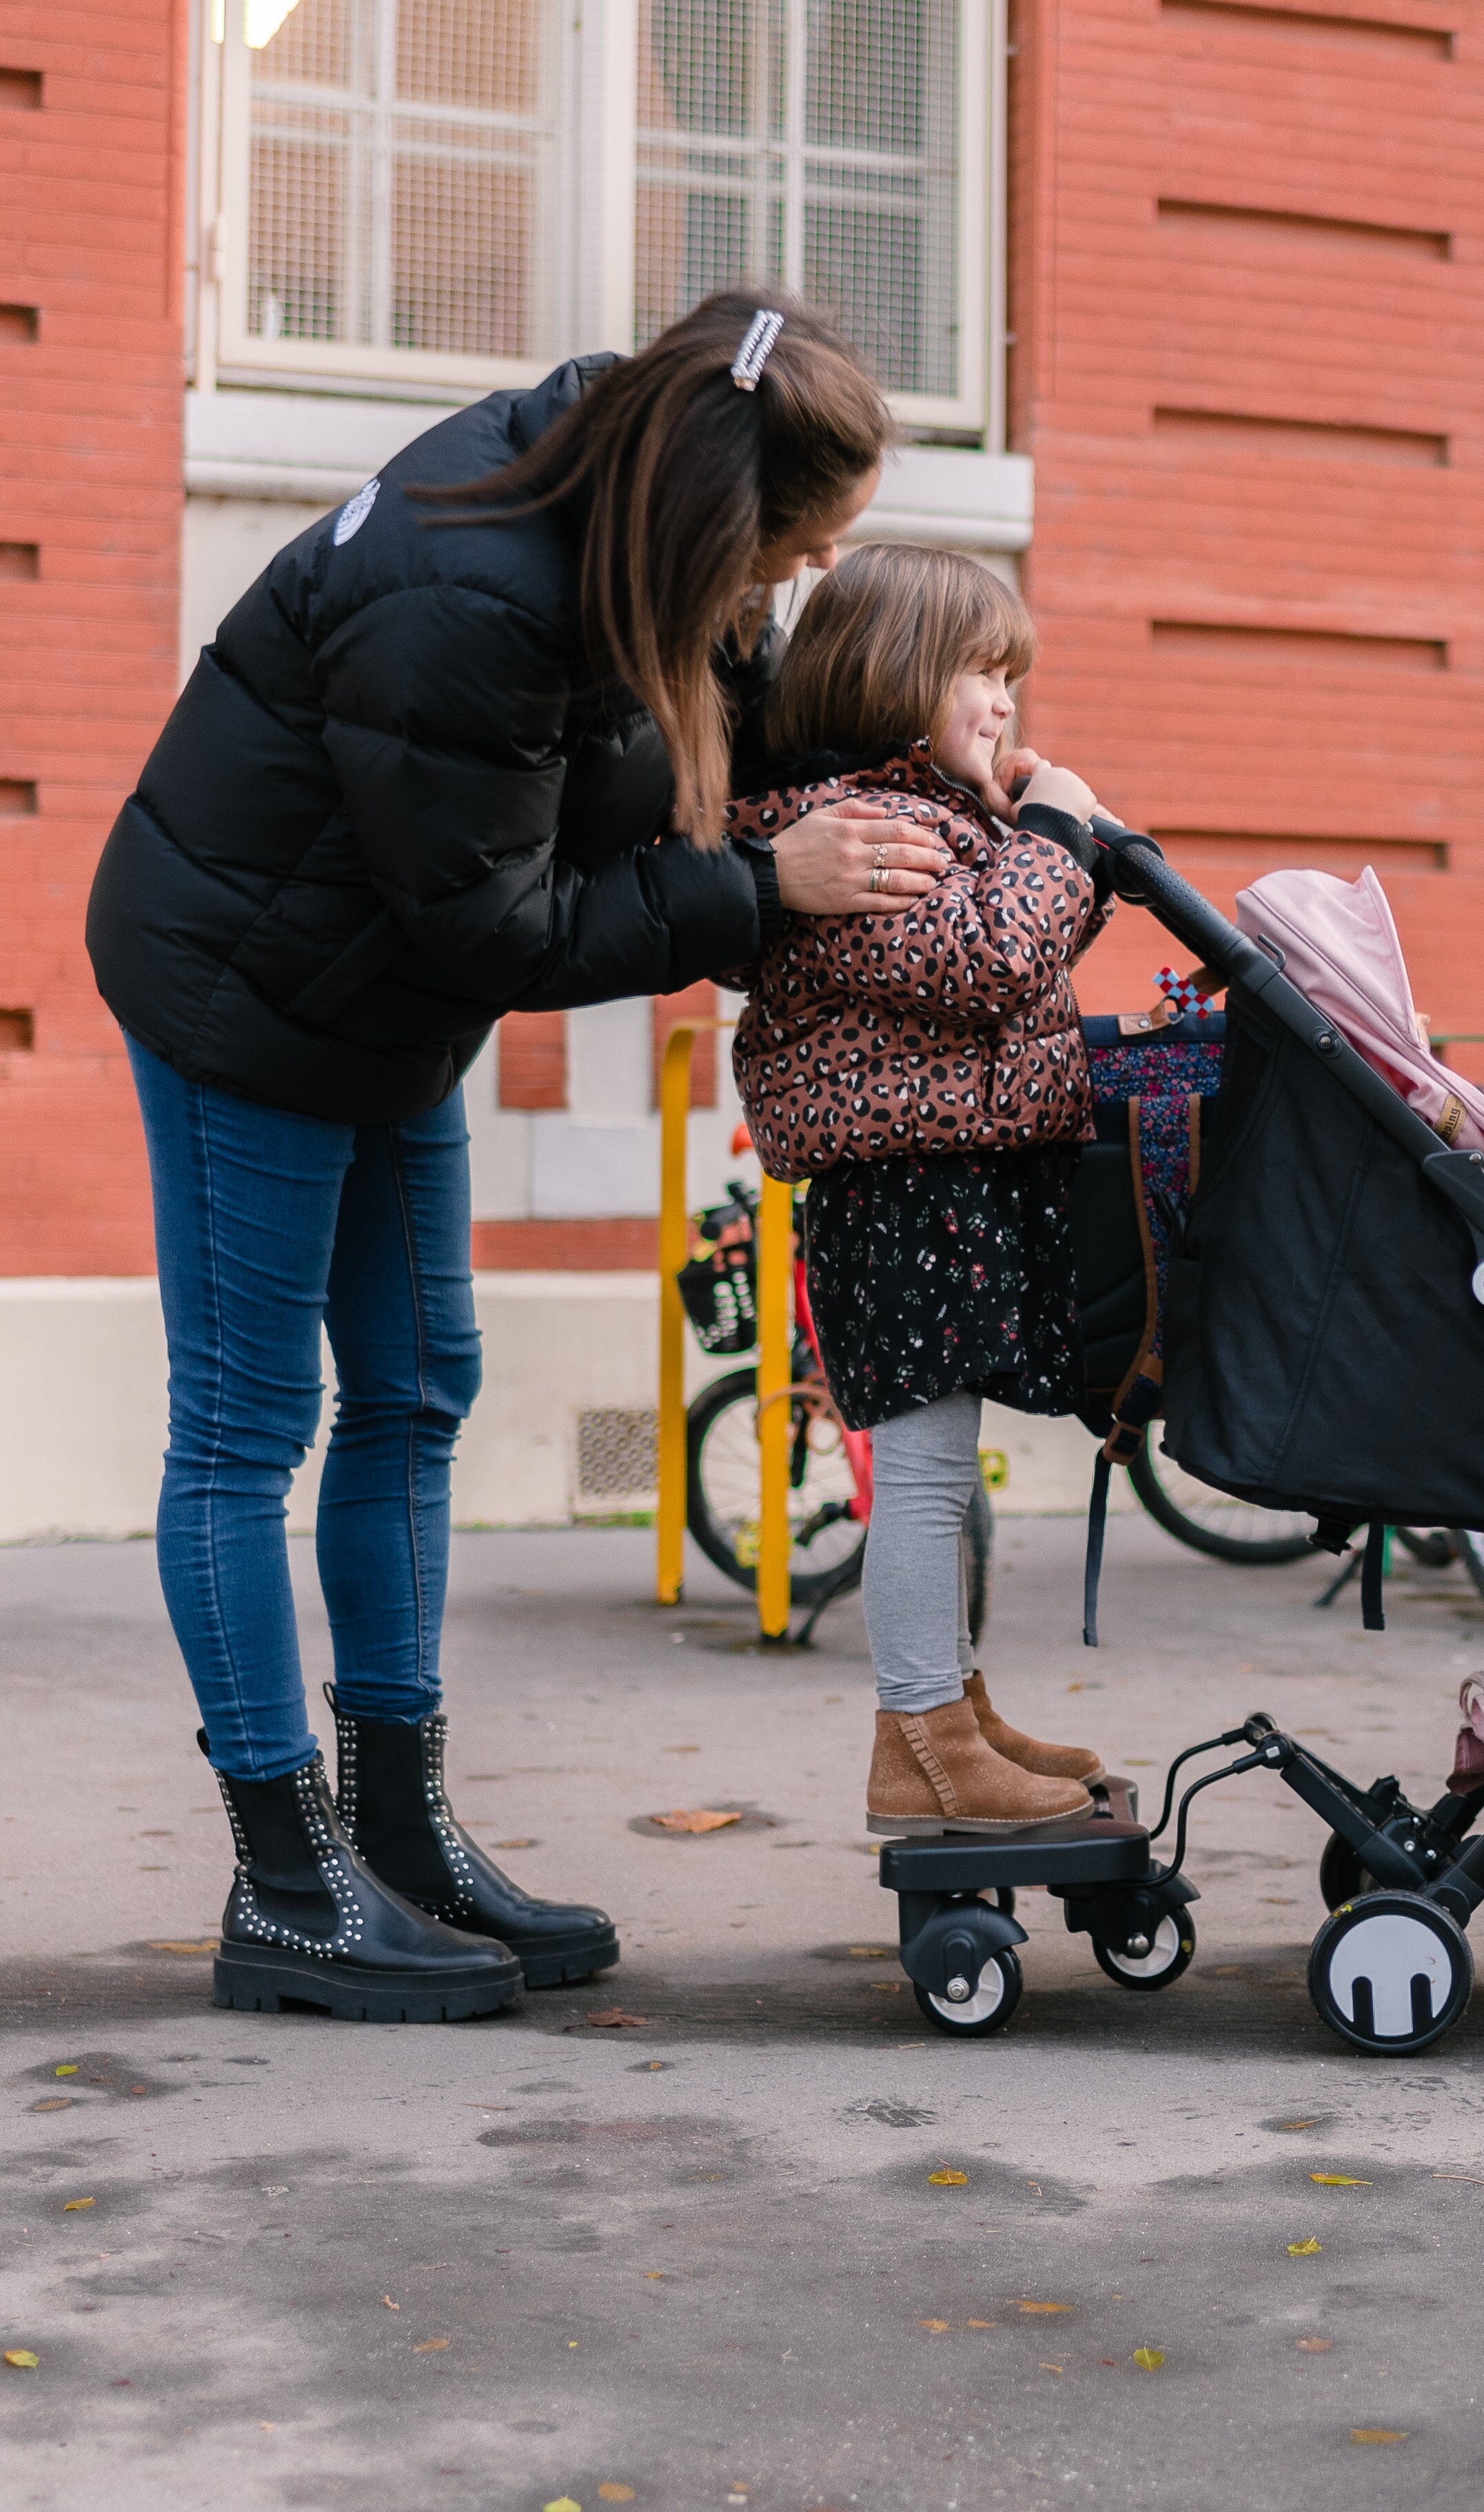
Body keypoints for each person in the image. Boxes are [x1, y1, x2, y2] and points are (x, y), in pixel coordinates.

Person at [85, 290, 962, 2023]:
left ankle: (398, 1832)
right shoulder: (463, 601)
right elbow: (499, 922)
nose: (801, 576)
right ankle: (289, 1880)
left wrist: (936, 743)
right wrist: (758, 895)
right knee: (246, 1425)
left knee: (416, 1385)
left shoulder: (640, 524)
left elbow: (708, 753)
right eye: (805, 542)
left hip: (379, 997)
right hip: (244, 996)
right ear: (725, 508)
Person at [726, 542, 1117, 1832]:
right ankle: (921, 1736)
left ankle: (952, 1705)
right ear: (892, 677)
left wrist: (1053, 846)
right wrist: (1056, 835)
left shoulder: (937, 818)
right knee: (926, 1471)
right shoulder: (861, 832)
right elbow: (989, 961)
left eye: (1012, 677)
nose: (1003, 702)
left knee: (944, 1468)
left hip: (936, 1182)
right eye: (978, 672)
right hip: (896, 1195)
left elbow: (1007, 955)